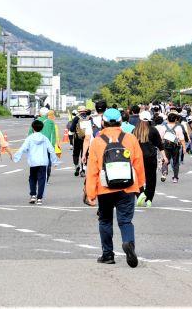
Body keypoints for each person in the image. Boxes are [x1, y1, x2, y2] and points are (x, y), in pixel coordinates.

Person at [85, 108, 146, 267]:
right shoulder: (130, 138)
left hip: (105, 187)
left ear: (103, 122)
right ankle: (128, 243)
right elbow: (138, 163)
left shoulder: (97, 141)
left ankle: (108, 255)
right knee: (126, 221)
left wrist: (90, 193)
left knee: (105, 220)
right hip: (127, 187)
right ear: (120, 121)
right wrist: (139, 185)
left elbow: (92, 169)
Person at [14, 120, 57, 204]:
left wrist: (16, 157)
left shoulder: (29, 138)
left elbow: (23, 148)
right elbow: (51, 150)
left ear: (32, 128)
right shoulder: (45, 138)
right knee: (42, 180)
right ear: (42, 128)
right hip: (43, 162)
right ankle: (40, 198)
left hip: (33, 162)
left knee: (32, 178)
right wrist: (54, 161)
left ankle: (33, 195)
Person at [133, 111, 165, 207]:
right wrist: (165, 157)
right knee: (151, 179)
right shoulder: (153, 130)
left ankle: (140, 194)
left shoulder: (134, 131)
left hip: (138, 158)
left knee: (137, 178)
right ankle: (149, 199)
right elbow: (160, 145)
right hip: (150, 158)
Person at [157, 112, 186, 183]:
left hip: (165, 146)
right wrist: (184, 148)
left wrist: (159, 147)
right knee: (176, 162)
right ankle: (175, 178)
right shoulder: (178, 127)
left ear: (167, 119)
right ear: (176, 119)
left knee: (165, 160)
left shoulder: (164, 127)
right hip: (176, 146)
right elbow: (182, 138)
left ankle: (164, 172)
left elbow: (160, 138)